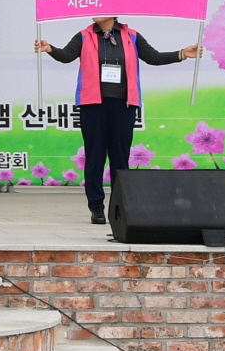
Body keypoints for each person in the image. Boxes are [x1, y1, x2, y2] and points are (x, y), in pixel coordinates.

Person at [34, 17, 200, 226]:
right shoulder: (84, 35)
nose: (95, 11)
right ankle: (96, 207)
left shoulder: (131, 36)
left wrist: (182, 54)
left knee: (120, 158)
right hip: (92, 105)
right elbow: (67, 56)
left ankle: (119, 208)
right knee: (95, 156)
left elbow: (153, 57)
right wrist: (50, 48)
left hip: (124, 105)